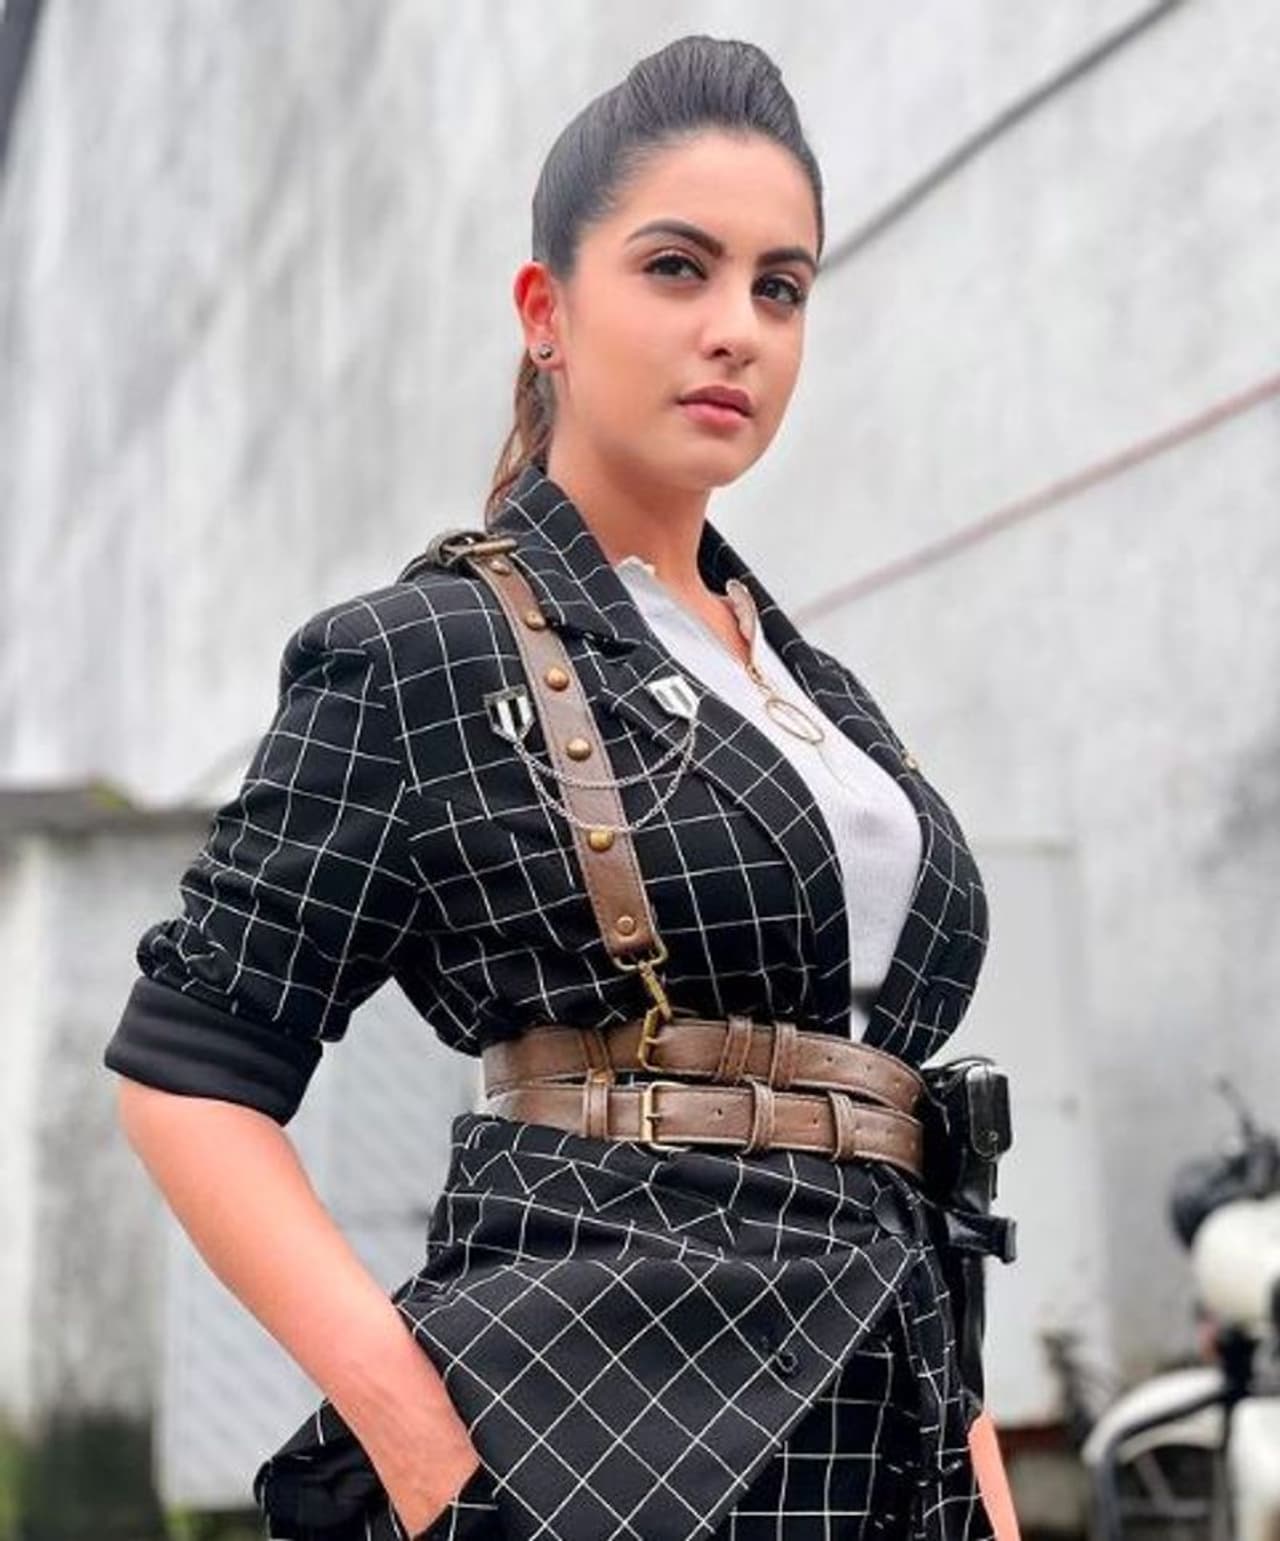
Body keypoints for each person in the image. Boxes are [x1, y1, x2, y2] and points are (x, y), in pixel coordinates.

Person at [103, 33, 1018, 1541]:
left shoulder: (818, 701)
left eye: (779, 288)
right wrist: (424, 1456)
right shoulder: (421, 652)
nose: (735, 329)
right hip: (602, 1442)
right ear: (548, 313)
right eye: (678, 268)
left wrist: (977, 1469)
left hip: (895, 1426)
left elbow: (878, 1111)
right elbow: (187, 1076)